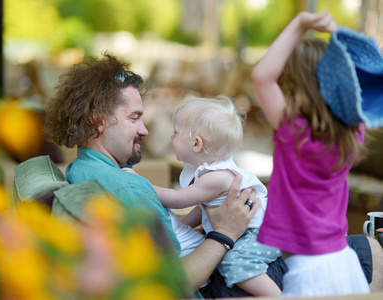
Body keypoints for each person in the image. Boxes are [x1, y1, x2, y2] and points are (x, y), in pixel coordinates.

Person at [44, 52, 379, 297]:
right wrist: (224, 232)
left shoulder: (86, 170)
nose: (145, 130)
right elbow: (173, 281)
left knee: (355, 248)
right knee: (368, 254)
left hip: (232, 261)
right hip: (225, 279)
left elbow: (173, 230)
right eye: (134, 117)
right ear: (98, 120)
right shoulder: (124, 185)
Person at [251, 9, 370, 297]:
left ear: (294, 86)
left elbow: (262, 76)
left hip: (310, 275)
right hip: (346, 263)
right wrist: (338, 44)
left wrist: (301, 23)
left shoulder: (295, 131)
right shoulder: (353, 131)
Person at [123, 95, 281, 297]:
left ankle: (276, 296)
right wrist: (184, 226)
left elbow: (177, 200)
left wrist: (139, 181)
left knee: (234, 263)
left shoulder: (215, 177)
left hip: (258, 233)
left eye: (175, 132)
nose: (171, 137)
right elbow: (203, 208)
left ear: (196, 144)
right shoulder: (210, 172)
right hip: (255, 230)